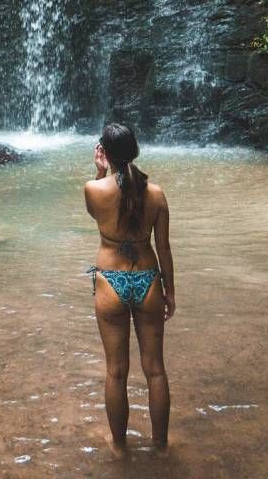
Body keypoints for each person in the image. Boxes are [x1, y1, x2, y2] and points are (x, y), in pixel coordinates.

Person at [84, 122, 175, 456]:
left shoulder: (94, 190)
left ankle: (120, 448)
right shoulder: (156, 194)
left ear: (105, 153)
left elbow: (96, 213)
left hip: (111, 282)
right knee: (155, 370)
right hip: (149, 280)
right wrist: (171, 291)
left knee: (116, 371)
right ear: (135, 150)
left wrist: (98, 173)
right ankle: (161, 446)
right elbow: (164, 248)